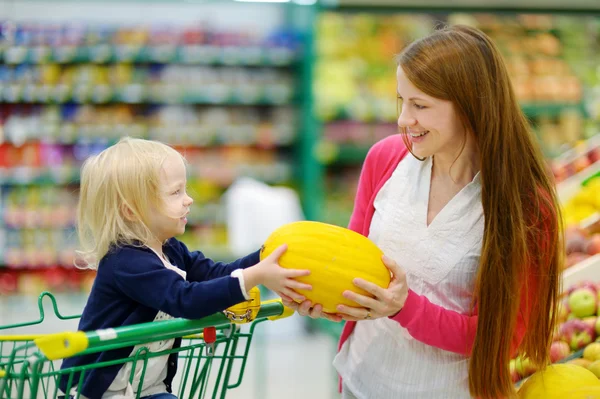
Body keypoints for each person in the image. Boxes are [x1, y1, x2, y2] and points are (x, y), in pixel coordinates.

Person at [282, 25, 562, 398]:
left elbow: (505, 339)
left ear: (469, 106)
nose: (403, 120)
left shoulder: (523, 207)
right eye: (402, 101)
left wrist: (405, 308)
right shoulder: (385, 160)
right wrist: (330, 300)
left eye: (420, 105)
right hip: (359, 381)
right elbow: (347, 260)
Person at [59, 137, 311, 399]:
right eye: (175, 192)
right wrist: (255, 276)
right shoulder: (125, 262)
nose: (188, 199)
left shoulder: (171, 250)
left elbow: (215, 274)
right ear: (131, 211)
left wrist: (264, 256)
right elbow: (184, 300)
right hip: (98, 389)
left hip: (145, 389)